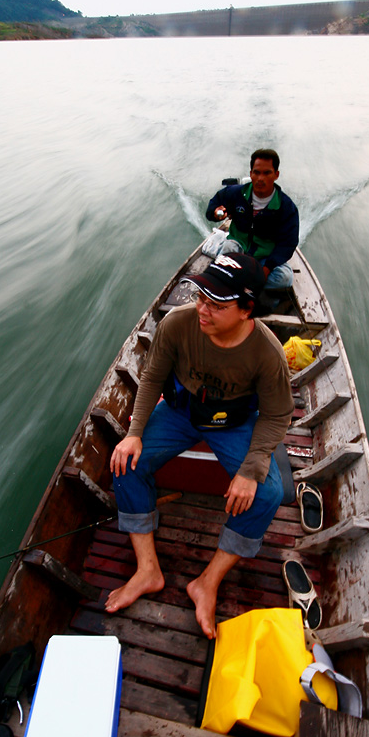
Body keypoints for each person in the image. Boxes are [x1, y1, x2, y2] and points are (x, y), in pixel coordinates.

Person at [107, 253, 294, 639]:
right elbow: (152, 377)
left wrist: (250, 469)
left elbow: (277, 416)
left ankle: (206, 583)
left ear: (246, 310)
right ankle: (147, 569)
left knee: (267, 493)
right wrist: (135, 431)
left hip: (234, 424)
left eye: (216, 303)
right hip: (179, 413)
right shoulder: (178, 323)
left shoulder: (266, 352)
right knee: (125, 462)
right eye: (201, 296)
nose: (202, 309)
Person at [206, 148, 299, 291]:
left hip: (264, 257)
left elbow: (288, 244)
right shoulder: (235, 193)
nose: (260, 178)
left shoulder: (287, 207)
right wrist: (216, 211)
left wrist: (267, 269)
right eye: (256, 172)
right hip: (238, 246)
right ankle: (247, 281)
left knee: (285, 278)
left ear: (276, 175)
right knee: (229, 247)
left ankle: (234, 278)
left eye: (267, 173)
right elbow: (214, 205)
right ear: (251, 174)